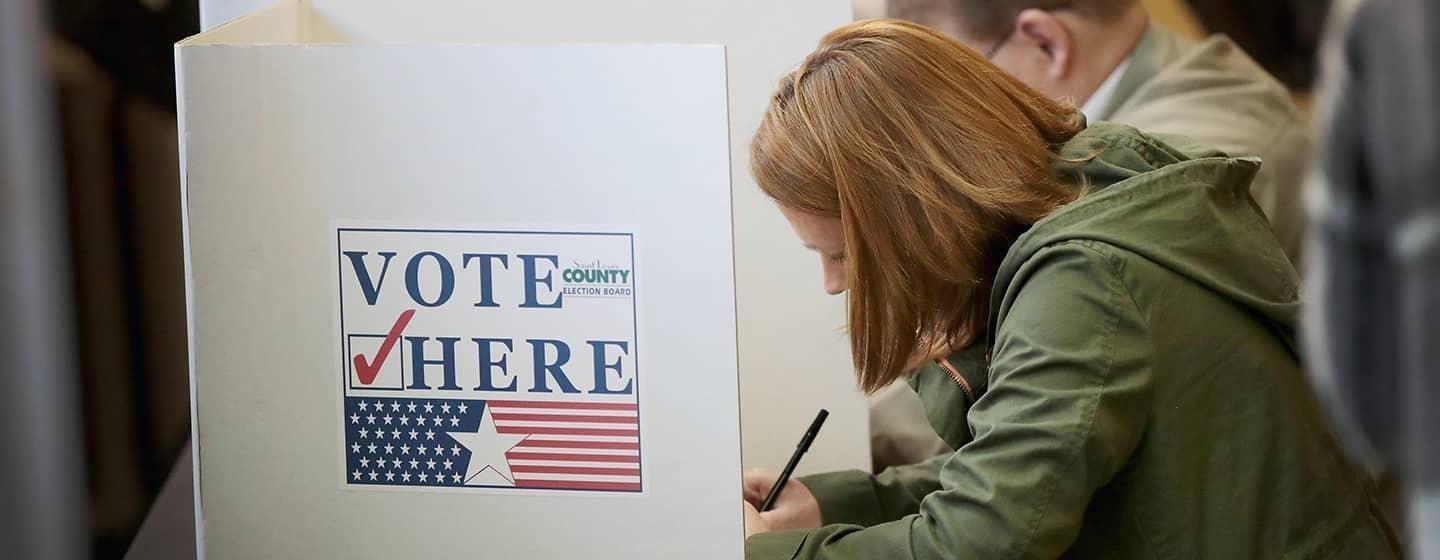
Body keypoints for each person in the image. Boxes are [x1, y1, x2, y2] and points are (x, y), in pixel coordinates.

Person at [739, 19, 1399, 559]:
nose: (833, 285)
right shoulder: (1089, 182)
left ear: (915, 211)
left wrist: (761, 553)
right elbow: (1027, 462)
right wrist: (834, 505)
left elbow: (986, 539)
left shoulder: (1083, 278)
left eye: (842, 254)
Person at [870, 0, 1313, 472]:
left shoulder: (1179, 174)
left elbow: (1038, 392)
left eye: (954, 88)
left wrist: (858, 456)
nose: (947, 126)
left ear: (1047, 42)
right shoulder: (1149, 104)